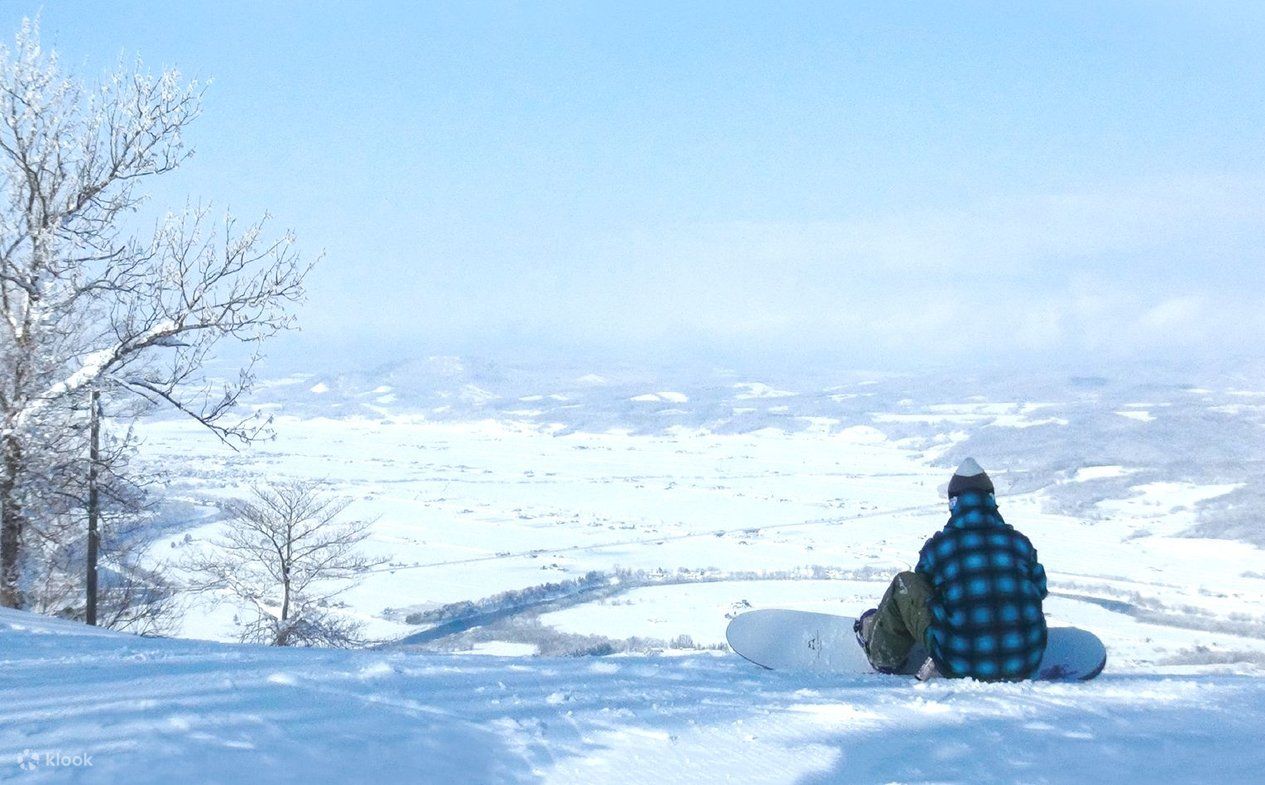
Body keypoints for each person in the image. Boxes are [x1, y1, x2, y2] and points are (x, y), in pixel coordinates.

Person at [854, 458, 1049, 681]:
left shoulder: (940, 547)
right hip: (1026, 662)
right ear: (991, 500)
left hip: (957, 662)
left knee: (904, 584)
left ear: (953, 503)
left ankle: (883, 654)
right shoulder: (1020, 544)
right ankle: (1014, 639)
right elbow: (1039, 589)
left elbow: (923, 592)